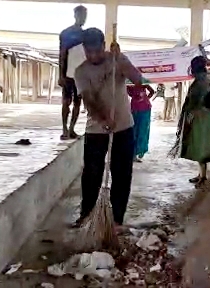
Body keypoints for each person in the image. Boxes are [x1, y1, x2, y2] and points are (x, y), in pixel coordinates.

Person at [72, 28, 144, 231]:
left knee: (122, 174)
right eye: (89, 52)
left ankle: (117, 218)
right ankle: (86, 215)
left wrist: (121, 59)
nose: (93, 56)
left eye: (96, 51)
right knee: (92, 174)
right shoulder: (81, 71)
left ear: (103, 46)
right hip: (96, 131)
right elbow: (88, 100)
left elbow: (138, 79)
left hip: (123, 128)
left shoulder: (116, 60)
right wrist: (103, 119)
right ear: (84, 49)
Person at [171, 56, 210, 187]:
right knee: (200, 146)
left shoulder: (203, 80)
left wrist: (191, 115)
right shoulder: (203, 78)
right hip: (202, 117)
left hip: (201, 117)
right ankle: (201, 175)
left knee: (201, 147)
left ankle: (203, 177)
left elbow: (202, 101)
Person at [58, 5, 87, 140]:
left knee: (77, 102)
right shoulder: (66, 33)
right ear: (75, 15)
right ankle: (64, 129)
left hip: (81, 76)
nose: (83, 18)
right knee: (66, 102)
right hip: (69, 74)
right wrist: (61, 75)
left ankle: (71, 129)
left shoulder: (85, 35)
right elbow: (62, 55)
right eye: (81, 15)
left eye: (85, 16)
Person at [127, 84, 155, 162]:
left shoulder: (143, 82)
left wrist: (145, 99)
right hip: (135, 109)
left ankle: (140, 151)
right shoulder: (128, 84)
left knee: (142, 131)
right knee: (134, 132)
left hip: (145, 109)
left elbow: (152, 91)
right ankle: (134, 154)